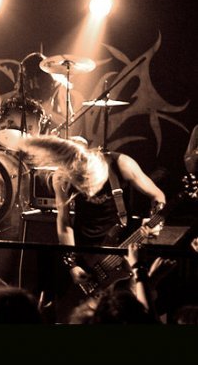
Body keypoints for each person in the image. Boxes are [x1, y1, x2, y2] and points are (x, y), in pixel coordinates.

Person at [19, 135, 166, 317]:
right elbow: (64, 223)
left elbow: (158, 196)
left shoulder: (122, 164)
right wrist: (72, 264)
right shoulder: (62, 178)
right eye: (82, 188)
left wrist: (155, 219)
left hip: (121, 252)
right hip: (85, 253)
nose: (88, 193)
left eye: (91, 186)